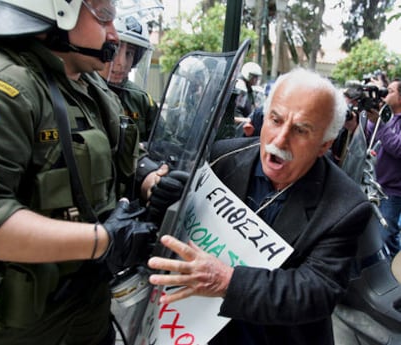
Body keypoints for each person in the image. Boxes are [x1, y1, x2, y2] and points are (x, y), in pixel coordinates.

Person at [0, 1, 184, 344]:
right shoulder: (5, 86)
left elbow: (115, 160)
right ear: (55, 13)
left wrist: (150, 182)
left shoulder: (89, 85)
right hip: (26, 326)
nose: (113, 33)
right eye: (104, 16)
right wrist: (103, 240)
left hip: (87, 308)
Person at [147, 68, 373, 345]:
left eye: (300, 130)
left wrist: (227, 282)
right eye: (275, 120)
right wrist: (164, 203)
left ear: (325, 145)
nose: (279, 140)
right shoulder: (223, 158)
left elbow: (316, 290)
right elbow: (177, 235)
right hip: (192, 330)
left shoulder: (346, 206)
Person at [99, 15, 158, 144]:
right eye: (114, 51)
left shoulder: (141, 100)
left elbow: (164, 141)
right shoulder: (80, 92)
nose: (122, 63)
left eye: (129, 54)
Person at [365, 78, 401, 258]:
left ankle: (394, 275)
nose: (385, 94)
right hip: (372, 186)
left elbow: (398, 147)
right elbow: (367, 139)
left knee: (384, 237)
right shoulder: (386, 118)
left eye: (390, 91)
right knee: (372, 237)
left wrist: (381, 124)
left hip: (391, 192)